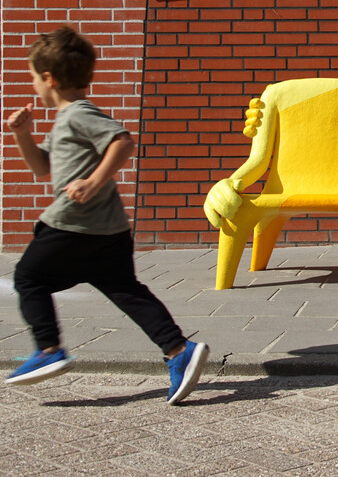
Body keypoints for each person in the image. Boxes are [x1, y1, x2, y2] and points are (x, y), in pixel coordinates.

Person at [4, 24, 209, 403]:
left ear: (48, 78)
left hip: (74, 222)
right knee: (124, 290)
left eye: (33, 78)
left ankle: (48, 350)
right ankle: (180, 351)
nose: (33, 85)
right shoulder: (67, 118)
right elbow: (41, 167)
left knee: (29, 277)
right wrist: (21, 134)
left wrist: (93, 182)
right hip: (108, 230)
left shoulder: (79, 113)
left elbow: (122, 140)